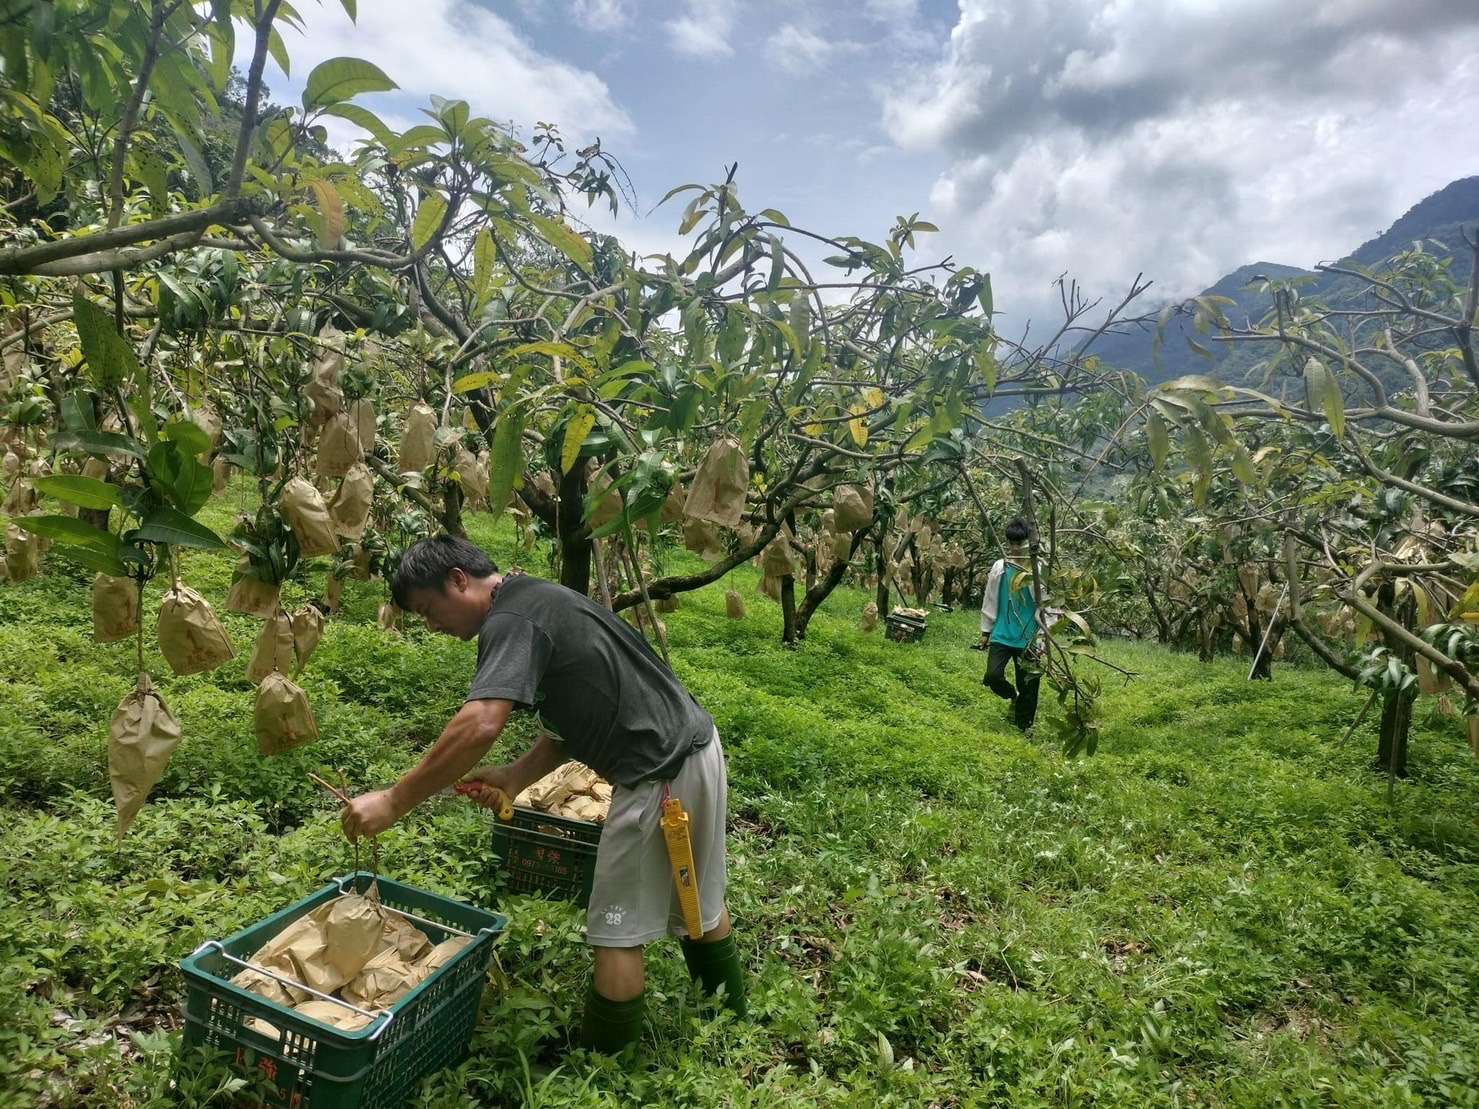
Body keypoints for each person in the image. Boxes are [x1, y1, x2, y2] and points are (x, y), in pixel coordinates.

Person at [340, 535, 745, 1054]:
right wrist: (515, 776)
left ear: (459, 580)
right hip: (695, 748)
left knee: (614, 935)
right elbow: (570, 719)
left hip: (657, 774)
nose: (432, 625)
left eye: (428, 609)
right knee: (701, 899)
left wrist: (394, 800)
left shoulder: (510, 620)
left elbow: (482, 723)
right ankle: (731, 1023)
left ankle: (605, 1073)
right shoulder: (534, 597)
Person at [979, 517, 1042, 731]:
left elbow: (1050, 606)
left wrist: (1043, 639)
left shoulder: (1039, 570)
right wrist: (986, 631)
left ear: (1029, 542)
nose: (1014, 548)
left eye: (1019, 544)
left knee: (1029, 684)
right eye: (1011, 544)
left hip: (1029, 637)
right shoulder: (1001, 567)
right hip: (1002, 633)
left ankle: (1024, 726)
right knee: (992, 676)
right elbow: (990, 598)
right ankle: (1012, 696)